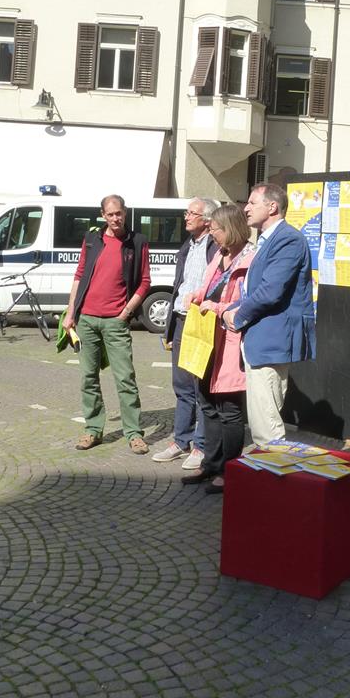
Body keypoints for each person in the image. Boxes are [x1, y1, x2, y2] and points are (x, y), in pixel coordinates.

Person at [223, 183, 315, 446]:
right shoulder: (267, 240)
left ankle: (274, 470)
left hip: (272, 339)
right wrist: (229, 309)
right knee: (262, 421)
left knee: (267, 426)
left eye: (252, 203)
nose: (246, 208)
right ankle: (268, 467)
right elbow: (253, 289)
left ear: (272, 207)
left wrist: (237, 317)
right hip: (261, 339)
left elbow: (270, 291)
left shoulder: (288, 239)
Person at [63, 194, 150, 453]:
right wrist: (71, 313)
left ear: (125, 212)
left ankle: (133, 433)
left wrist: (126, 312)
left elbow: (145, 282)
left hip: (116, 322)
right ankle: (93, 430)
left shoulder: (137, 241)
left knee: (125, 379)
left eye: (119, 213)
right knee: (88, 378)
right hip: (86, 320)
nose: (115, 218)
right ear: (103, 215)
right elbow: (79, 275)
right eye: (110, 214)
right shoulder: (92, 240)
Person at [181, 204, 254, 494]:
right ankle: (211, 463)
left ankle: (229, 469)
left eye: (216, 230)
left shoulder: (250, 259)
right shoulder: (219, 255)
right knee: (207, 403)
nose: (212, 235)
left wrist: (218, 307)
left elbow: (248, 302)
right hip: (208, 338)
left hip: (231, 343)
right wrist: (197, 295)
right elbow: (209, 286)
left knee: (229, 409)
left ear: (230, 229)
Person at [152, 197, 219, 469]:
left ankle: (201, 446)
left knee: (199, 386)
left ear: (207, 220)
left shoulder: (215, 247)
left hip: (200, 320)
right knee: (181, 386)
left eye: (192, 213)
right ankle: (181, 441)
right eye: (186, 212)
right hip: (180, 319)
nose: (186, 217)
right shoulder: (188, 245)